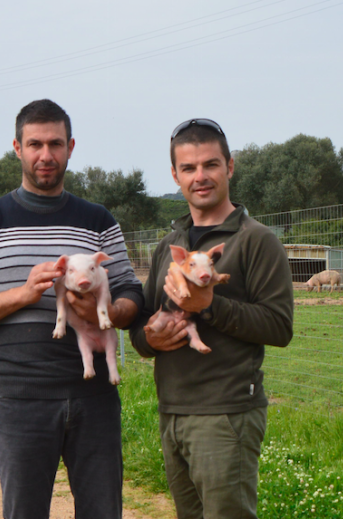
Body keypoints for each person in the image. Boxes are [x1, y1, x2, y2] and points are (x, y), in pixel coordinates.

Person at [0, 99, 144, 519]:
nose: (45, 155)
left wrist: (102, 313)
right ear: (17, 148)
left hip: (96, 399)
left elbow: (131, 295)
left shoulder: (98, 220)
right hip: (22, 400)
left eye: (55, 143)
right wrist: (24, 293)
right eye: (34, 144)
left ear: (71, 147)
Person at [129, 118, 293, 518]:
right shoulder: (169, 246)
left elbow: (279, 326)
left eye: (210, 165)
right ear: (175, 175)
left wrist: (207, 305)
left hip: (226, 413)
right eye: (188, 168)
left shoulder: (257, 240)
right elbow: (142, 326)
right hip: (172, 409)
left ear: (230, 167)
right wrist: (148, 340)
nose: (200, 177)